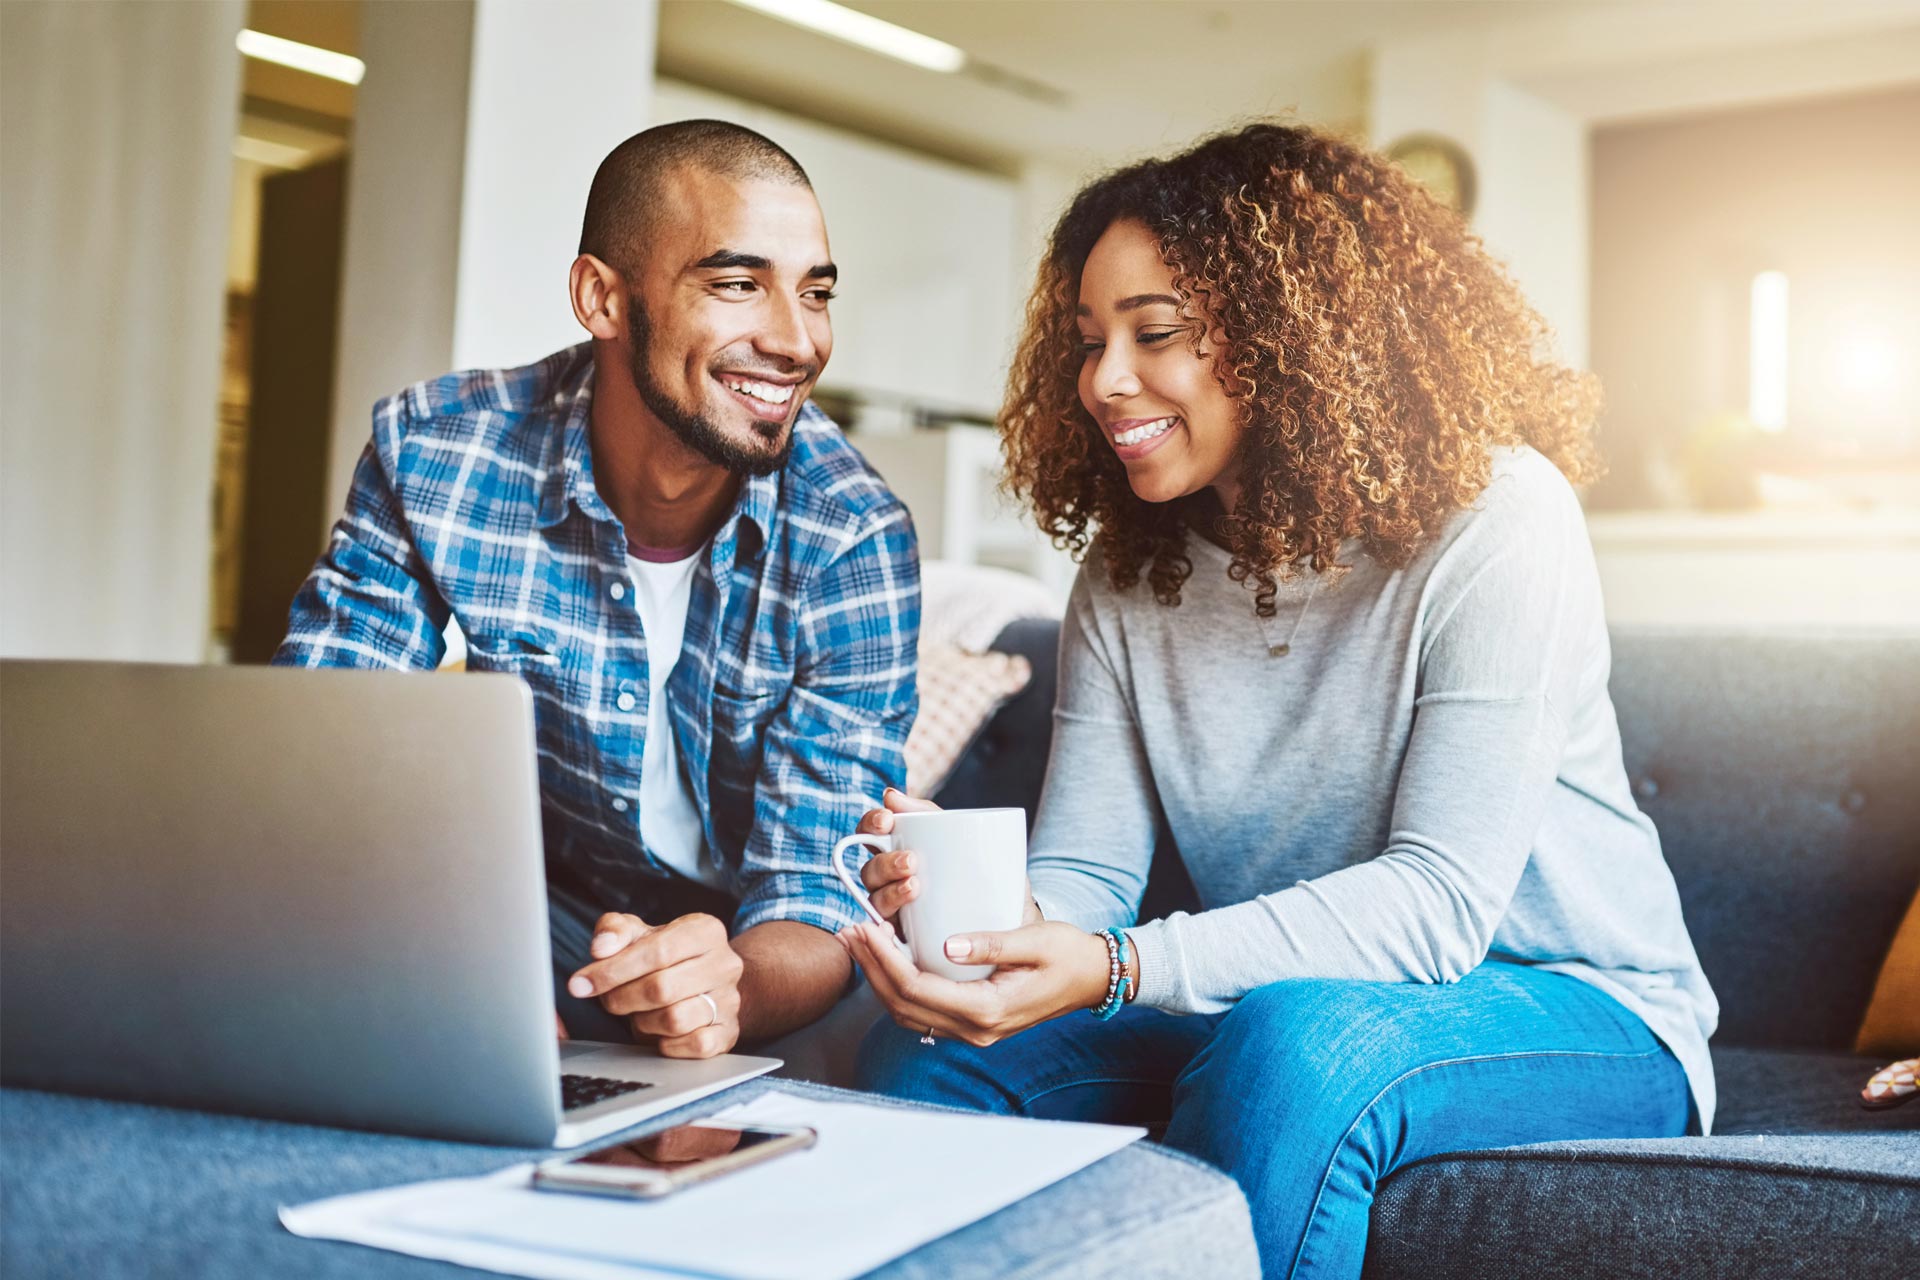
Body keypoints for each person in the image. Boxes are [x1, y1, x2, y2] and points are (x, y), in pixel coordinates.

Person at [840, 123, 1717, 1278]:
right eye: (1088, 339)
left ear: (1293, 338)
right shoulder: (1125, 567)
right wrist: (977, 922)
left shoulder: (1499, 517)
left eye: (1154, 333)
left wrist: (1116, 965)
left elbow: (1436, 906)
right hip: (1285, 1001)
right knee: (932, 1060)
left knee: (1298, 1040)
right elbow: (1087, 880)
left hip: (1586, 1009)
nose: (1105, 380)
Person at [276, 120, 919, 1059]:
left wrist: (719, 986)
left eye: (815, 293)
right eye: (738, 283)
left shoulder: (850, 533)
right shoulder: (441, 452)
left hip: (754, 942)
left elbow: (816, 897)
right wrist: (443, 952)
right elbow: (320, 750)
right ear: (602, 297)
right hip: (541, 906)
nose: (795, 339)